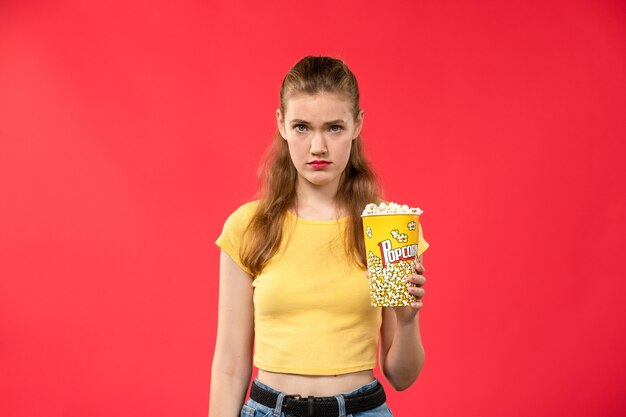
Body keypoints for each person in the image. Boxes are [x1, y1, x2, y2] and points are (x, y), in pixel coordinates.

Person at [209, 56, 429, 417]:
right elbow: (230, 365)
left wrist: (407, 321)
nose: (318, 147)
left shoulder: (387, 226)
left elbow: (402, 376)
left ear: (357, 124)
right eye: (301, 127)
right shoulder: (248, 226)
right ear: (281, 123)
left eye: (334, 128)